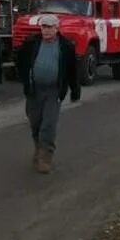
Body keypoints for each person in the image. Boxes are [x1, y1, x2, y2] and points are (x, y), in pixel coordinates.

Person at [14, 13, 80, 174]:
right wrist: (25, 79)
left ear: (57, 28)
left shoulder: (66, 47)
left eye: (50, 27)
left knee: (48, 125)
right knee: (35, 123)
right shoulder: (32, 43)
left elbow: (72, 71)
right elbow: (19, 59)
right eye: (44, 26)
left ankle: (46, 157)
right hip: (35, 90)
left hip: (53, 91)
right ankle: (39, 147)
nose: (46, 30)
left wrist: (74, 90)